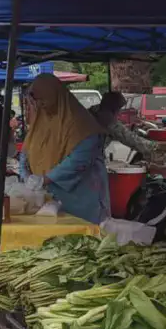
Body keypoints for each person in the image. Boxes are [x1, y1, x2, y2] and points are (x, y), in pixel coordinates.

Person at [21, 74, 109, 224]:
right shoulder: (40, 120)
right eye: (36, 100)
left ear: (55, 94)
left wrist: (46, 179)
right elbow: (26, 151)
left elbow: (80, 159)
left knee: (82, 239)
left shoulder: (80, 122)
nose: (40, 104)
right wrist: (25, 174)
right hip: (47, 199)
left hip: (80, 198)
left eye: (43, 98)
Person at [93, 91, 166, 160]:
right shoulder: (106, 118)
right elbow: (129, 138)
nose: (119, 113)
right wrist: (156, 146)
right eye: (119, 109)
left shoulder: (94, 111)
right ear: (113, 108)